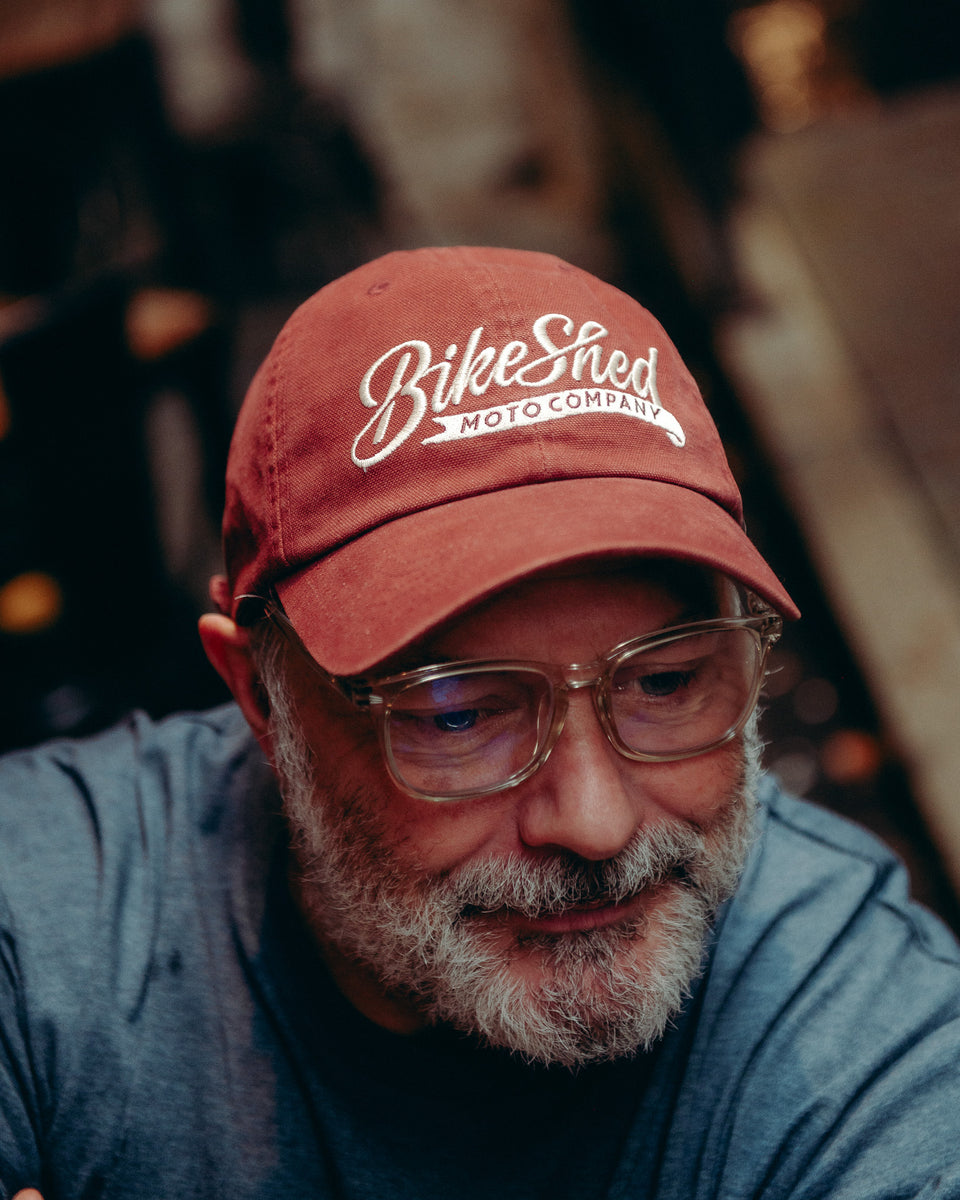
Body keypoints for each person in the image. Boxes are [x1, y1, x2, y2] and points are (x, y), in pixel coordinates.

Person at [2, 246, 959, 1200]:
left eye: (665, 684)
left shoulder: (867, 1045)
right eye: (457, 714)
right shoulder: (43, 916)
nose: (596, 823)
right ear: (261, 697)